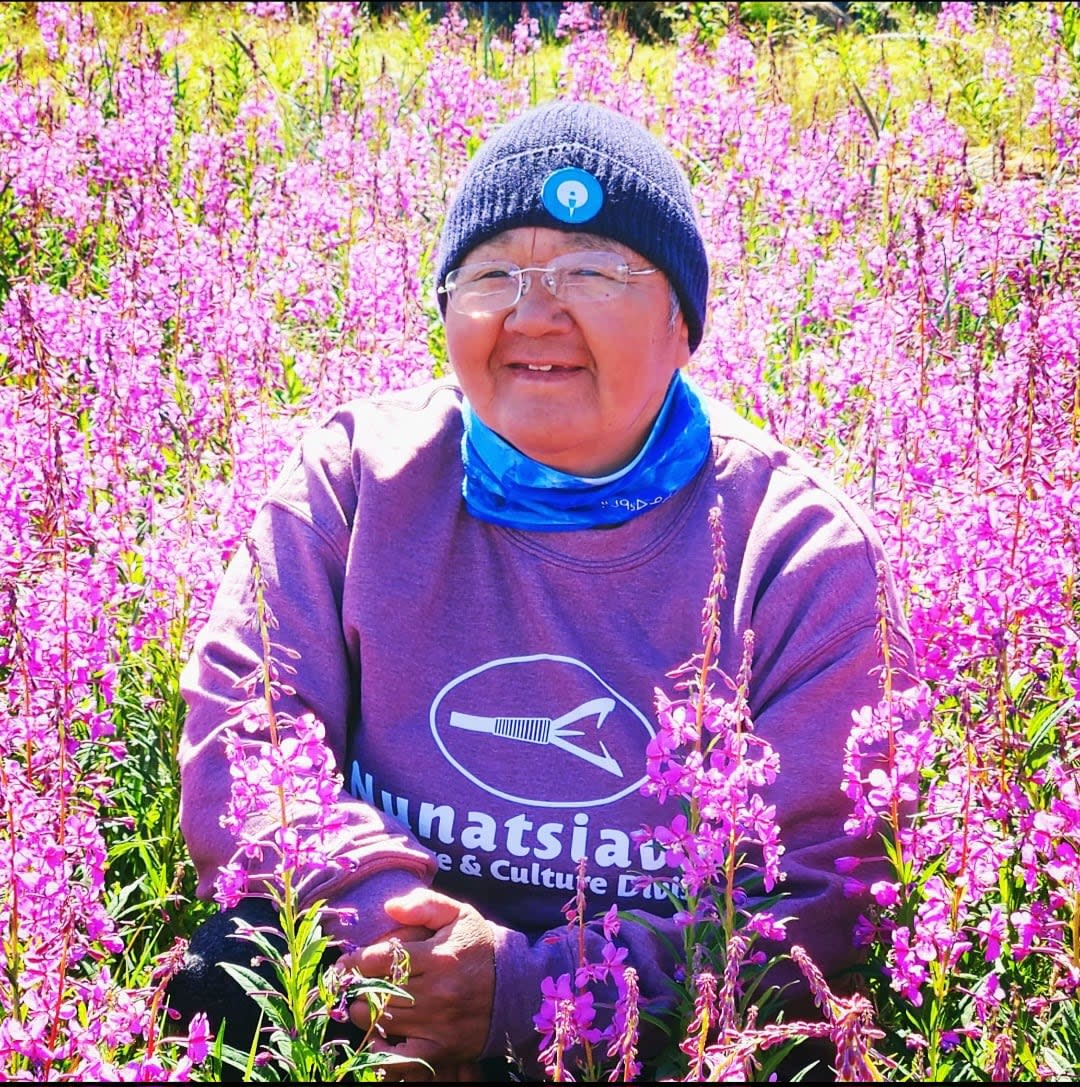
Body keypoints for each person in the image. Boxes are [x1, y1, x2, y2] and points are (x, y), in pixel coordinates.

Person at [169, 99, 915, 1081]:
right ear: (446, 310)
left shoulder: (801, 550)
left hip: (651, 1021)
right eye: (493, 276)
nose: (533, 314)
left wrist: (526, 994)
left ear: (683, 321)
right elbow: (247, 737)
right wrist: (402, 949)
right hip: (378, 966)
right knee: (222, 980)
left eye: (592, 271)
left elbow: (821, 888)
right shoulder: (356, 478)